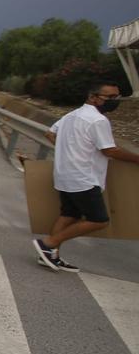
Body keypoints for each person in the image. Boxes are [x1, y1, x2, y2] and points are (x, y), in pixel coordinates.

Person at [33, 81, 139, 272]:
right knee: (99, 220)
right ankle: (48, 244)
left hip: (65, 174)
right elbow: (110, 150)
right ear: (93, 97)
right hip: (84, 178)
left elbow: (50, 134)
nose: (115, 100)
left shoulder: (71, 115)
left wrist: (70, 150)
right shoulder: (98, 120)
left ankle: (51, 254)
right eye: (110, 97)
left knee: (69, 215)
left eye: (117, 96)